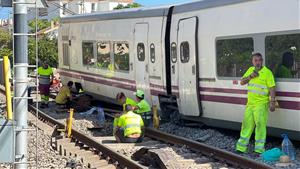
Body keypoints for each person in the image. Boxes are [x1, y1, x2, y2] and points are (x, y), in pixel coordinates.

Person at [236, 53, 276, 154]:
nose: (258, 62)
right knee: (246, 125)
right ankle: (241, 148)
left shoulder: (267, 72)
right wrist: (250, 76)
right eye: (255, 60)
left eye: (259, 60)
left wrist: (272, 101)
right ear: (252, 62)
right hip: (250, 104)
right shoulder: (250, 70)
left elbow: (272, 87)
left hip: (261, 104)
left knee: (260, 125)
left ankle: (259, 149)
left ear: (262, 61)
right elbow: (242, 82)